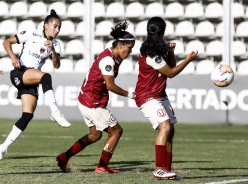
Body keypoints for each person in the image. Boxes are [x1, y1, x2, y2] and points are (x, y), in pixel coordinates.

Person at [56, 20, 135, 174]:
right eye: (129, 48)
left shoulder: (111, 55)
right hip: (93, 102)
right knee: (116, 131)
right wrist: (131, 94)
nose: (130, 52)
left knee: (95, 135)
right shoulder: (108, 60)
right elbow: (110, 85)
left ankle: (64, 157)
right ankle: (102, 166)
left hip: (86, 99)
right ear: (120, 46)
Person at [0, 9, 71, 160]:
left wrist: (53, 51)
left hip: (32, 78)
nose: (57, 30)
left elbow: (57, 65)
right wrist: (12, 57)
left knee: (27, 115)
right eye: (55, 26)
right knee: (46, 77)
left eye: (59, 28)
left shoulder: (56, 44)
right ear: (45, 25)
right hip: (20, 72)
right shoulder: (32, 34)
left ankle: (3, 147)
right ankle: (55, 112)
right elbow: (7, 42)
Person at [134, 17, 198, 180]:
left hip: (159, 94)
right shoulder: (151, 51)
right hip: (147, 96)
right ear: (162, 31)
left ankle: (167, 169)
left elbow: (170, 65)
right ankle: (158, 169)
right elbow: (171, 73)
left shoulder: (157, 46)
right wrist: (188, 60)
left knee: (171, 131)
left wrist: (170, 52)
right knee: (165, 127)